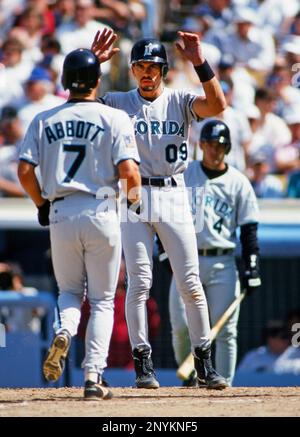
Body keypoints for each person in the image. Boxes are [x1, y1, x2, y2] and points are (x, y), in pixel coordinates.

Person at [91, 28, 228, 389]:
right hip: (132, 196)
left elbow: (217, 107)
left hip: (173, 192)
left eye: (154, 66)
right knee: (139, 283)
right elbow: (83, 108)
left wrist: (199, 62)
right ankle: (143, 363)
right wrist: (94, 67)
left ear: (164, 70)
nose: (147, 71)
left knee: (190, 283)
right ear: (133, 70)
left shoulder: (180, 99)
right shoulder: (119, 101)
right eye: (141, 66)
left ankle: (203, 362)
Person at [17, 48, 141, 400]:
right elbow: (130, 172)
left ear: (63, 82)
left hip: (60, 211)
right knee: (103, 301)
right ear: (98, 82)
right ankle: (93, 376)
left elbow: (24, 171)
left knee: (69, 292)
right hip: (101, 209)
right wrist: (134, 204)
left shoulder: (43, 118)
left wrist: (41, 203)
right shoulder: (114, 118)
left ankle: (65, 330)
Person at [167, 120, 261, 386]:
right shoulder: (186, 173)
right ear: (201, 145)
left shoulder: (238, 182)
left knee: (225, 330)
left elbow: (249, 229)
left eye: (219, 145)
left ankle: (224, 384)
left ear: (227, 148)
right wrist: (164, 252)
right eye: (208, 144)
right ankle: (192, 379)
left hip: (223, 260)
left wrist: (252, 265)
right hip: (188, 259)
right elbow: (166, 214)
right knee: (181, 328)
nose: (213, 150)